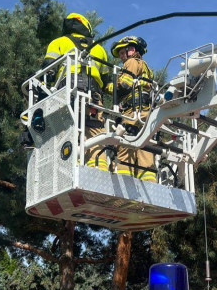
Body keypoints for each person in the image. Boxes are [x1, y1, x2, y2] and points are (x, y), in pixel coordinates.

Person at [42, 12, 110, 170]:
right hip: (94, 96)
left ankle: (69, 166)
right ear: (87, 27)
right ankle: (98, 167)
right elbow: (106, 79)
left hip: (66, 92)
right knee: (95, 132)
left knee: (66, 130)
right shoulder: (99, 49)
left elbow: (48, 70)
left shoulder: (58, 42)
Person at [110, 35, 156, 182]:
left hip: (132, 112)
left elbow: (124, 84)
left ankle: (125, 183)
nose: (122, 57)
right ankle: (149, 182)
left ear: (132, 50)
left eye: (123, 52)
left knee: (124, 147)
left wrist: (109, 86)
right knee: (145, 147)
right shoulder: (146, 67)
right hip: (145, 112)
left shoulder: (132, 62)